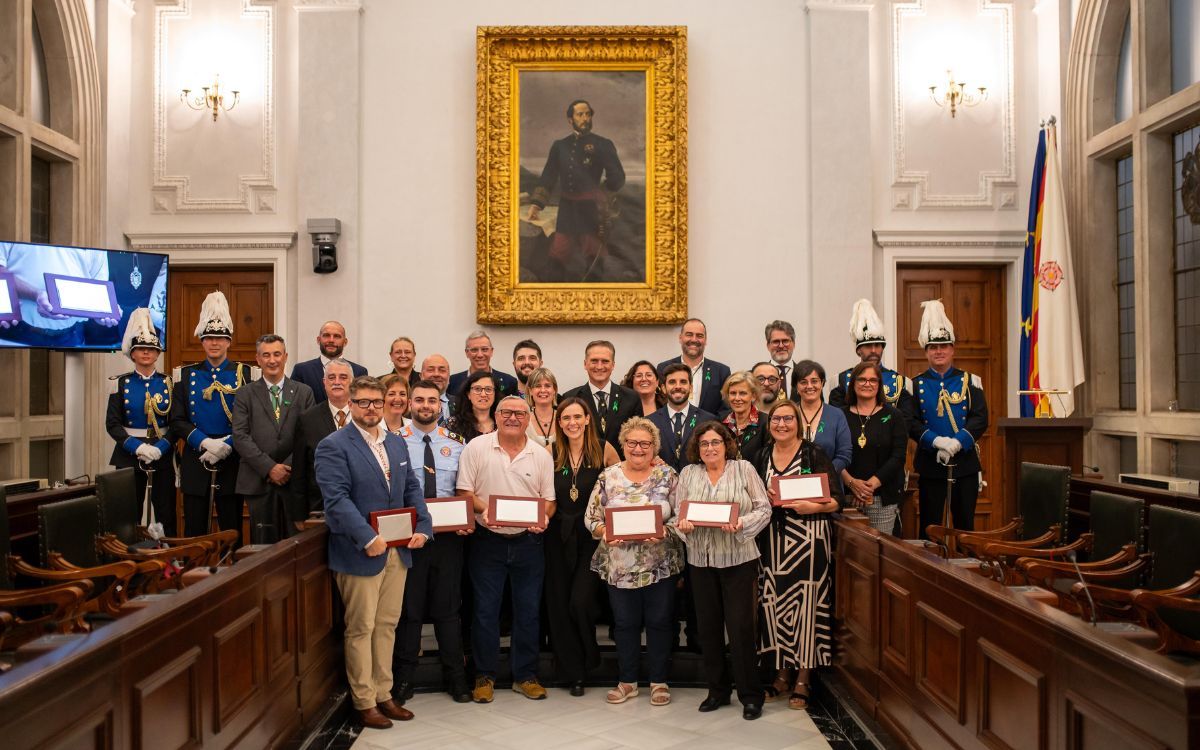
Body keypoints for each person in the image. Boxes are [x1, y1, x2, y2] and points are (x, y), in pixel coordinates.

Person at [316, 376, 433, 730]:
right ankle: (364, 700)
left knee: (387, 625)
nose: (371, 409)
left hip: (397, 551)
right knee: (361, 627)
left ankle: (385, 693)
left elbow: (412, 488)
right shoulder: (333, 445)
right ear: (350, 404)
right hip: (359, 552)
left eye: (376, 403)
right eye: (363, 402)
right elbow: (336, 501)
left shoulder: (396, 444)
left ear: (385, 405)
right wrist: (368, 538)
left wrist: (424, 527)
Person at [456, 395, 556, 703]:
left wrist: (543, 520)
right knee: (486, 611)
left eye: (519, 413)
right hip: (487, 541)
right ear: (496, 416)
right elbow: (464, 491)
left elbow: (549, 501)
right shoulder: (477, 447)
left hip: (528, 543)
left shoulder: (540, 454)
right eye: (506, 412)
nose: (513, 417)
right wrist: (487, 511)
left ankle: (525, 675)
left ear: (528, 418)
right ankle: (484, 675)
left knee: (527, 612)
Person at [670, 421, 771, 720]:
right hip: (701, 561)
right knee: (708, 628)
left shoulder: (744, 469)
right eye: (704, 444)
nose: (710, 448)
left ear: (726, 444)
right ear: (696, 449)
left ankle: (751, 695)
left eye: (715, 442)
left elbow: (763, 508)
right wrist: (683, 526)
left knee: (740, 628)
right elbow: (679, 514)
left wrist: (742, 524)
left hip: (738, 559)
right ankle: (717, 690)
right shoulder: (689, 473)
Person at [584, 418, 682, 707]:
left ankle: (658, 681)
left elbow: (681, 516)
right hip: (619, 564)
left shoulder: (668, 475)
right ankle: (627, 681)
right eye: (632, 443)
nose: (638, 449)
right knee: (625, 624)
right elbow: (591, 518)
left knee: (659, 622)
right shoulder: (608, 476)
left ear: (655, 447)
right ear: (623, 444)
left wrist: (665, 531)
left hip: (659, 562)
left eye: (645, 444)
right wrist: (605, 533)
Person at [753, 399, 844, 711]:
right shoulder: (763, 454)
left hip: (809, 539)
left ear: (798, 423)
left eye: (788, 419)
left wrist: (813, 507)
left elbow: (836, 500)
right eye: (776, 419)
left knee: (807, 605)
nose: (782, 424)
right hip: (772, 542)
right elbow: (751, 494)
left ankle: (804, 677)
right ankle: (781, 674)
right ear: (770, 423)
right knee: (774, 605)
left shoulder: (812, 453)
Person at [392, 380, 472, 704]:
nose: (426, 405)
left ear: (441, 405)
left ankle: (457, 679)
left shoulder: (456, 443)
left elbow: (463, 489)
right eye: (420, 400)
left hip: (448, 540)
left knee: (448, 610)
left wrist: (467, 520)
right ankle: (404, 680)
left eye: (432, 400)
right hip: (409, 539)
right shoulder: (394, 442)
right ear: (410, 404)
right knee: (409, 612)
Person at [544, 397, 618, 696]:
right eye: (566, 418)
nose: (572, 423)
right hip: (556, 536)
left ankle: (590, 656)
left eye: (577, 417)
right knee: (560, 606)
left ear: (588, 418)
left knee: (580, 601)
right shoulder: (550, 452)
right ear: (559, 423)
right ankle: (572, 672)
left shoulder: (605, 448)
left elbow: (624, 487)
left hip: (592, 537)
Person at [170, 291, 255, 537]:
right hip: (197, 458)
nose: (214, 343)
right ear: (202, 341)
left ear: (229, 341)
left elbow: (250, 419)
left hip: (233, 459)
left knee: (231, 528)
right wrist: (205, 442)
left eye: (220, 338)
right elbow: (177, 420)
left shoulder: (247, 374)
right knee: (195, 530)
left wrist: (226, 444)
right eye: (209, 338)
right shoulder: (184, 376)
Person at [910, 299, 988, 535]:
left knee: (965, 528)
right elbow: (910, 423)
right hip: (931, 465)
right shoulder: (915, 385)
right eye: (933, 347)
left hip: (964, 464)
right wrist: (937, 441)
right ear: (926, 352)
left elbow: (980, 418)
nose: (939, 351)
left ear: (953, 349)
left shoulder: (970, 381)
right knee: (930, 527)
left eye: (944, 346)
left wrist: (956, 443)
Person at [528, 99, 626, 281]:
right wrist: (536, 204)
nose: (585, 118)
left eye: (588, 114)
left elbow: (618, 177)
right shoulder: (560, 146)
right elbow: (548, 175)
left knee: (593, 255)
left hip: (591, 209)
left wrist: (604, 192)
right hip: (567, 209)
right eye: (580, 114)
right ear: (570, 119)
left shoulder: (603, 144)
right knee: (558, 253)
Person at [232, 334, 315, 542]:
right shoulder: (245, 394)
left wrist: (285, 468)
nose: (272, 360)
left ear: (285, 357)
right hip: (257, 480)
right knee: (262, 544)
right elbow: (240, 436)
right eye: (266, 355)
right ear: (258, 359)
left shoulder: (304, 392)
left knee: (294, 544)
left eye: (277, 354)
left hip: (294, 481)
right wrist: (269, 468)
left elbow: (309, 435)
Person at [106, 308, 175, 534]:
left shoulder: (169, 383)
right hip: (128, 456)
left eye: (151, 349)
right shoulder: (120, 383)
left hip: (161, 456)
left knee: (166, 513)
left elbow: (176, 423)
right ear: (132, 354)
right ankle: (130, 560)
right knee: (127, 514)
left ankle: (169, 560)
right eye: (141, 349)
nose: (146, 353)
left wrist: (161, 447)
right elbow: (113, 424)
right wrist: (138, 447)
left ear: (157, 354)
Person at [840, 361, 909, 535]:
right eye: (862, 379)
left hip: (882, 498)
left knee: (880, 553)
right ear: (853, 383)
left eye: (873, 380)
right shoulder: (839, 415)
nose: (867, 384)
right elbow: (834, 455)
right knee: (850, 554)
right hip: (847, 496)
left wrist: (869, 486)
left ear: (879, 385)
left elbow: (898, 456)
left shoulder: (894, 416)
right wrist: (852, 483)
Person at [827, 299, 917, 427]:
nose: (874, 350)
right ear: (858, 350)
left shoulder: (900, 383)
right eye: (868, 346)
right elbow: (837, 423)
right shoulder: (841, 381)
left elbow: (905, 425)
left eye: (878, 345)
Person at [291, 359, 354, 523]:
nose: (337, 382)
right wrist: (298, 516)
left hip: (360, 505)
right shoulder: (307, 419)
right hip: (321, 508)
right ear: (324, 383)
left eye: (343, 377)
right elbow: (299, 470)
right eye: (331, 377)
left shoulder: (365, 415)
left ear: (352, 383)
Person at [562, 340, 640, 456]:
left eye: (605, 361)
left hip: (622, 467)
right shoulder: (570, 398)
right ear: (585, 364)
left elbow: (638, 436)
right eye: (594, 361)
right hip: (584, 466)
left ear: (613, 365)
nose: (599, 366)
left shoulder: (631, 397)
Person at [790, 360, 852, 490]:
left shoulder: (836, 415)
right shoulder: (788, 414)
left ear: (822, 383)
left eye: (814, 381)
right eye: (803, 382)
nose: (809, 386)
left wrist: (823, 475)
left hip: (829, 486)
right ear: (796, 386)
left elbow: (844, 455)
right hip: (792, 485)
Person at [647, 363, 716, 471]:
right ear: (664, 388)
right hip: (662, 485)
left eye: (683, 382)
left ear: (691, 387)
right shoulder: (649, 422)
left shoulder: (708, 420)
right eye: (672, 382)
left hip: (697, 485)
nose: (678, 386)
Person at [657, 318, 731, 417]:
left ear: (705, 340)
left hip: (709, 430)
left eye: (699, 336)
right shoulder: (663, 368)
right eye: (689, 334)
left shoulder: (721, 372)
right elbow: (659, 404)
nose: (694, 339)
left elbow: (726, 410)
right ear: (680, 338)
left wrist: (712, 429)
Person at [290, 321, 368, 404]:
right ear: (318, 340)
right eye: (326, 335)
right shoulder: (302, 371)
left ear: (345, 342)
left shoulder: (359, 372)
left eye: (337, 336)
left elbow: (362, 405)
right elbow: (295, 405)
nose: (331, 340)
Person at [447, 331, 518, 398]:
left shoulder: (509, 382)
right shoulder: (452, 382)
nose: (480, 355)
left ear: (491, 351)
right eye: (474, 350)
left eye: (484, 349)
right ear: (467, 353)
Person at [721, 371, 764, 460]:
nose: (737, 398)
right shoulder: (720, 423)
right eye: (733, 393)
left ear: (753, 396)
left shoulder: (766, 423)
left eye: (743, 393)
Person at [448, 370, 498, 443]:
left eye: (488, 389)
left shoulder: (502, 423)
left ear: (495, 394)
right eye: (477, 389)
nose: (483, 394)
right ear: (468, 394)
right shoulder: (453, 424)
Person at [525, 367, 559, 448]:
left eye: (547, 386)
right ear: (530, 391)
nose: (543, 390)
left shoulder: (564, 417)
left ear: (554, 390)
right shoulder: (524, 420)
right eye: (538, 386)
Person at [764, 321, 798, 401]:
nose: (781, 346)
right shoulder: (755, 377)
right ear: (768, 346)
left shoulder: (806, 376)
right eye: (776, 342)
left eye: (785, 341)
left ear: (794, 344)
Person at [419, 354, 453, 424]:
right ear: (421, 376)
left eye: (442, 370)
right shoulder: (409, 406)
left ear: (449, 377)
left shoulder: (462, 405)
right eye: (430, 370)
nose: (436, 374)